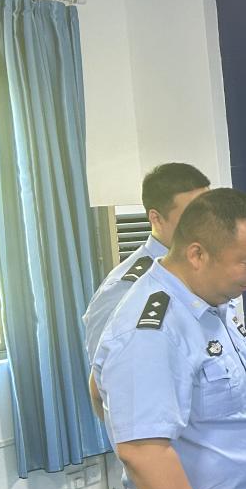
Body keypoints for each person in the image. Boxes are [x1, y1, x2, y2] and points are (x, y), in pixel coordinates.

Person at [93, 188, 246, 489]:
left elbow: (99, 387)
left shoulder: (210, 303)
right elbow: (142, 449)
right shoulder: (152, 328)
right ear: (197, 254)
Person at [82, 162, 210, 415]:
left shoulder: (206, 270)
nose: (205, 224)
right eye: (192, 216)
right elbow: (101, 388)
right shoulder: (126, 287)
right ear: (156, 218)